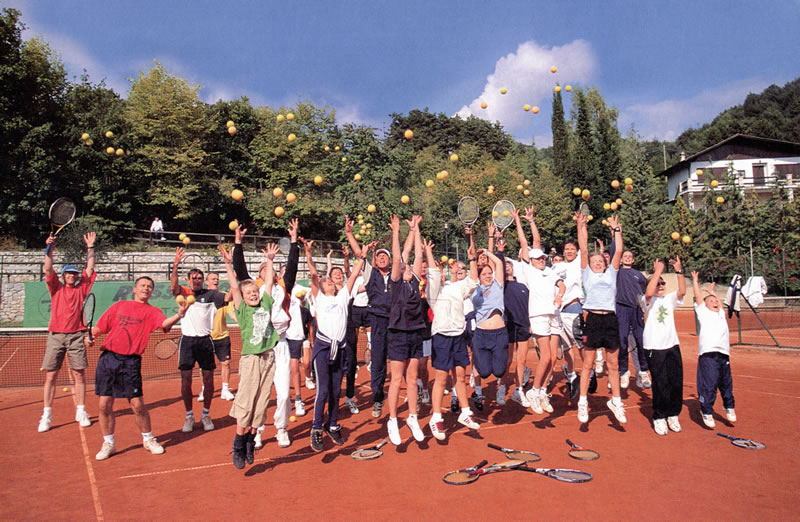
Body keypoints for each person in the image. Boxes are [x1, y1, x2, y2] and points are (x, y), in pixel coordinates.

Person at [88, 276, 191, 460]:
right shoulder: (119, 306)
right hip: (109, 359)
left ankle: (148, 439)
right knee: (104, 404)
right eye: (143, 285)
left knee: (137, 404)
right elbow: (99, 328)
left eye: (150, 286)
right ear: (134, 289)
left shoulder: (152, 312)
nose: (146, 288)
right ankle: (109, 442)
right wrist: (90, 337)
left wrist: (180, 314)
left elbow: (164, 325)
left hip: (131, 363)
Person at [232, 220, 300, 449]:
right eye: (261, 269)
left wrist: (293, 240)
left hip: (280, 345)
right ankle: (257, 431)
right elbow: (239, 269)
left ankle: (281, 428)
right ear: (258, 275)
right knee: (258, 394)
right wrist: (238, 242)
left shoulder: (282, 288)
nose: (265, 270)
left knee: (282, 394)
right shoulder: (253, 291)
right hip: (259, 348)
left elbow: (292, 266)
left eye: (268, 268)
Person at [217, 242, 280, 469]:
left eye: (255, 291)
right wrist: (227, 263)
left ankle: (251, 441)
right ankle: (238, 442)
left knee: (262, 403)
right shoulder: (242, 309)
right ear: (242, 298)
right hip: (251, 359)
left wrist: (270, 261)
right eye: (249, 293)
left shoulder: (265, 302)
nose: (253, 294)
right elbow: (234, 286)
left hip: (268, 357)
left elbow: (270, 283)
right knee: (246, 401)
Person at [303, 238, 366, 451]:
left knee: (335, 391)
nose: (330, 281)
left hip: (339, 349)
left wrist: (363, 256)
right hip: (322, 349)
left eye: (331, 281)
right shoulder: (319, 297)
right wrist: (308, 253)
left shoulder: (342, 298)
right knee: (322, 391)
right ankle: (316, 429)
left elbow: (355, 274)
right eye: (326, 280)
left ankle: (332, 425)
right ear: (321, 287)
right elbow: (313, 275)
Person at [38, 232, 97, 433]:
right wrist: (49, 247)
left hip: (75, 337)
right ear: (63, 276)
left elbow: (90, 268)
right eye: (68, 273)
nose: (71, 276)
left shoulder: (82, 288)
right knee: (51, 376)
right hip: (55, 335)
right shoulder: (55, 287)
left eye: (74, 273)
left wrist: (90, 247)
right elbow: (47, 267)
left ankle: (81, 411)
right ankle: (46, 415)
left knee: (79, 375)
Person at [424, 234, 480, 440]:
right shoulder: (434, 292)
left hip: (458, 336)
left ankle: (465, 412)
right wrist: (428, 252)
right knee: (441, 379)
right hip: (441, 337)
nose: (438, 275)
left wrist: (472, 259)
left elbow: (473, 280)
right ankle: (436, 418)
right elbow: (432, 272)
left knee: (460, 376)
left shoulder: (457, 288)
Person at [576, 213, 627, 424]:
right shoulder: (586, 273)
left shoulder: (611, 273)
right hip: (593, 320)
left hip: (610, 320)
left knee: (613, 364)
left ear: (605, 264)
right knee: (588, 363)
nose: (597, 263)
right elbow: (584, 248)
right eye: (594, 261)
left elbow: (620, 251)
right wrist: (581, 226)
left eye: (600, 261)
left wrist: (616, 231)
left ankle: (616, 401)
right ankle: (582, 401)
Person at [170, 249, 227, 433]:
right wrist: (176, 264)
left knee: (208, 380)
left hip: (205, 342)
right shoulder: (184, 293)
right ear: (188, 280)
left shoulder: (211, 295)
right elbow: (173, 287)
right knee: (186, 380)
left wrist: (229, 267)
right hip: (187, 342)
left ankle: (206, 414)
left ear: (203, 281)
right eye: (193, 278)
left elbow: (228, 297)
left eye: (199, 278)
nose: (196, 280)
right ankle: (188, 416)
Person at [344, 215, 393, 418]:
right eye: (379, 256)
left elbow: (405, 255)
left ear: (390, 260)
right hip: (378, 321)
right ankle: (378, 399)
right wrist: (349, 233)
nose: (382, 258)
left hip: (397, 322)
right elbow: (358, 253)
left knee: (405, 361)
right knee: (379, 363)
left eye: (385, 256)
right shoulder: (370, 274)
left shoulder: (397, 274)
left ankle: (416, 391)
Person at [385, 215, 427, 444]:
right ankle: (393, 420)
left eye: (409, 266)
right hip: (398, 334)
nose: (408, 266)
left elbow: (419, 254)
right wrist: (397, 232)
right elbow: (396, 258)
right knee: (396, 379)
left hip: (415, 333)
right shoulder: (396, 282)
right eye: (404, 266)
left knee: (413, 379)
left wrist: (416, 229)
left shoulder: (415, 282)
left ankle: (413, 417)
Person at [643, 258, 686, 435]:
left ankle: (673, 414)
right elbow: (648, 292)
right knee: (660, 383)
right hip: (654, 347)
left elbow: (682, 291)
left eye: (662, 283)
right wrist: (657, 272)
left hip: (672, 345)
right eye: (657, 283)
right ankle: (659, 417)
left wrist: (678, 271)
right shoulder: (645, 301)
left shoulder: (669, 299)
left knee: (676, 382)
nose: (660, 285)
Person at [692, 271, 736, 428]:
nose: (715, 302)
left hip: (723, 355)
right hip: (708, 355)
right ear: (705, 305)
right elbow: (698, 297)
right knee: (709, 385)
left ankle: (729, 406)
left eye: (716, 301)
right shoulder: (703, 313)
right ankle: (707, 411)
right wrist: (695, 281)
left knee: (726, 383)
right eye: (711, 301)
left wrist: (712, 292)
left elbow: (720, 303)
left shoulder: (721, 315)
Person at [471, 236, 508, 406]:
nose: (487, 276)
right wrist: (473, 258)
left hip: (499, 333)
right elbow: (473, 274)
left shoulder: (498, 284)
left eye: (489, 273)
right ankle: (476, 382)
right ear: (479, 276)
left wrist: (486, 252)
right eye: (484, 274)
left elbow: (499, 264)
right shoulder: (474, 288)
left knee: (500, 371)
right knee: (484, 372)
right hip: (481, 334)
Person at [609, 242, 650, 389]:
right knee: (622, 340)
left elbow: (647, 291)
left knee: (641, 339)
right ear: (620, 259)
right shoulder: (617, 272)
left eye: (629, 256)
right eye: (624, 256)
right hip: (622, 309)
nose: (626, 258)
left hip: (636, 310)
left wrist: (645, 307)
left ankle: (644, 370)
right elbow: (614, 251)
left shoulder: (639, 275)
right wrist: (614, 235)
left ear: (633, 260)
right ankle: (624, 371)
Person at [198, 271, 235, 402]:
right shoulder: (200, 296)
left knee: (225, 363)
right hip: (205, 337)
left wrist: (244, 323)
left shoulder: (224, 297)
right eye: (212, 279)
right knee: (205, 367)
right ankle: (204, 389)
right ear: (206, 282)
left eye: (217, 279)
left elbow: (232, 314)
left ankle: (225, 389)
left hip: (222, 336)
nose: (215, 281)